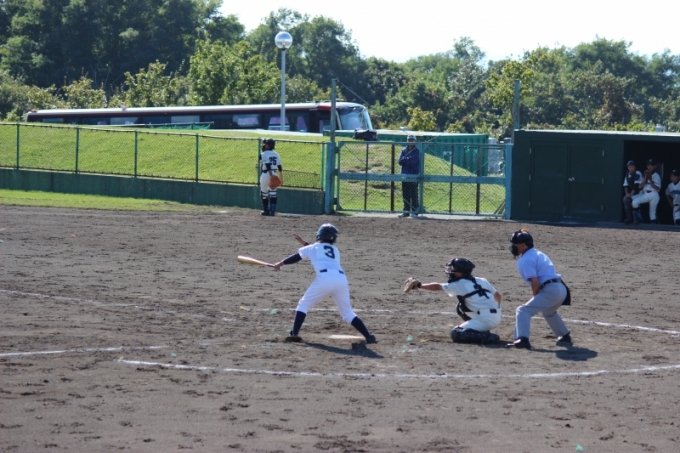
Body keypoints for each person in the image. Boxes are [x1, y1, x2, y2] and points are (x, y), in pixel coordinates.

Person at [272, 224, 377, 344]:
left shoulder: (313, 248)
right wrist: (303, 242)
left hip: (325, 279)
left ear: (319, 235)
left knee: (304, 305)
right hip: (341, 279)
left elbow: (297, 257)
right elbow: (317, 250)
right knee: (347, 313)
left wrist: (280, 263)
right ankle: (368, 336)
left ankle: (294, 334)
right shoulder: (335, 250)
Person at [404, 258, 502, 344]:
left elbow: (437, 286)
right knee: (460, 307)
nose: (451, 271)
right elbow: (498, 296)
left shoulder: (459, 284)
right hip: (496, 315)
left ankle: (487, 337)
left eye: (454, 269)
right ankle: (479, 328)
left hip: (486, 318)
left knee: (456, 333)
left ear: (461, 272)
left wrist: (419, 285)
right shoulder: (482, 280)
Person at [506, 229, 571, 350]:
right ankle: (564, 335)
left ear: (523, 245)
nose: (513, 247)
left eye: (515, 244)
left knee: (523, 310)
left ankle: (522, 339)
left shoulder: (525, 260)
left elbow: (534, 282)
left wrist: (535, 296)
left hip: (551, 290)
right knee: (548, 311)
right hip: (561, 289)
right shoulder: (538, 253)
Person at [629, 158, 661, 224]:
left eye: (651, 165)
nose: (650, 167)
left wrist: (650, 181)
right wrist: (645, 178)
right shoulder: (644, 175)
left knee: (652, 212)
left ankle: (653, 226)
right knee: (634, 202)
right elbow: (640, 186)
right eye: (648, 165)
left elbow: (658, 188)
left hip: (654, 194)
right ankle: (640, 219)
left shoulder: (657, 176)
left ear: (654, 166)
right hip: (645, 193)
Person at [397, 134, 420, 218]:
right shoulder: (404, 150)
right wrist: (408, 159)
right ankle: (406, 211)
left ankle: (415, 211)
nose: (410, 141)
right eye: (409, 140)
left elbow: (414, 161)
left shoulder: (417, 151)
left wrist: (405, 159)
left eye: (412, 140)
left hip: (414, 176)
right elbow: (400, 161)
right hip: (405, 176)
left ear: (415, 141)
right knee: (405, 195)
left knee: (413, 194)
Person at [259, 138, 283, 216]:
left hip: (266, 174)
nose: (264, 145)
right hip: (274, 174)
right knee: (273, 193)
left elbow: (267, 165)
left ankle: (266, 211)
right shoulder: (276, 154)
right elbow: (280, 168)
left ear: (269, 145)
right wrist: (281, 179)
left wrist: (270, 176)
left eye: (266, 144)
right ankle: (272, 211)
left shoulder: (264, 154)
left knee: (264, 193)